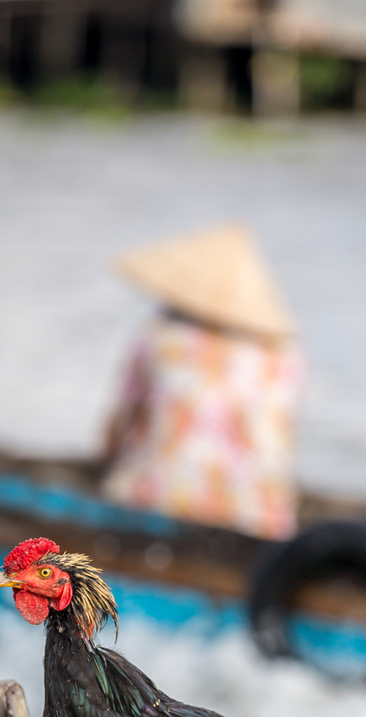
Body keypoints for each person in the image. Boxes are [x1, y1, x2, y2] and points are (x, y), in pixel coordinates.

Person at [102, 222, 303, 541]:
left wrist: (109, 460)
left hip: (165, 505)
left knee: (121, 478)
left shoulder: (160, 338)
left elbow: (117, 429)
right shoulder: (285, 358)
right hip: (265, 522)